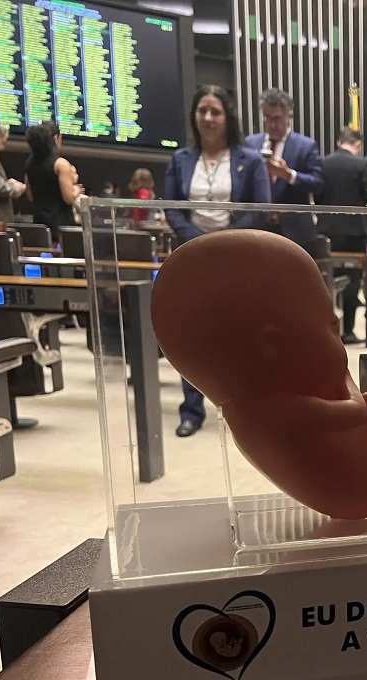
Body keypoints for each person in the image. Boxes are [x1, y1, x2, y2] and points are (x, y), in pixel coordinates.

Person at [163, 84, 270, 437]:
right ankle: (192, 409)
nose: (208, 118)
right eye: (202, 111)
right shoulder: (180, 159)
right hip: (191, 256)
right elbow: (172, 208)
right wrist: (197, 240)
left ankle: (247, 408)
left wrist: (224, 241)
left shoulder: (250, 160)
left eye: (215, 112)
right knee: (192, 333)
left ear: (228, 117)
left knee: (241, 331)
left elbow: (261, 208)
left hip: (236, 256)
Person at [244, 88, 326, 250]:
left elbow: (318, 184)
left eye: (277, 119)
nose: (271, 125)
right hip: (257, 227)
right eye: (267, 118)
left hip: (295, 231)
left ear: (290, 116)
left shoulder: (306, 146)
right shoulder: (250, 144)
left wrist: (289, 175)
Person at [316, 127, 367, 344]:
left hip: (326, 229)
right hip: (354, 231)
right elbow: (366, 197)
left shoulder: (323, 163)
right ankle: (348, 330)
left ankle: (325, 330)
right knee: (352, 281)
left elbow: (318, 195)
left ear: (339, 142)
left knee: (325, 282)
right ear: (357, 144)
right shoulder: (362, 164)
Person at [24, 120, 82, 240]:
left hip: (40, 225)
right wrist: (76, 190)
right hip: (61, 226)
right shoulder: (61, 164)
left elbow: (30, 195)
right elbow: (68, 198)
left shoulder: (29, 163)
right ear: (56, 138)